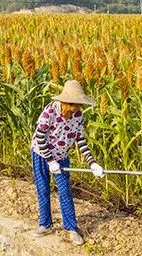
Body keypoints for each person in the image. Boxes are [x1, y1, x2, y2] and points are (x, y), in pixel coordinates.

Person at [30, 80, 104, 245]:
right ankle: (45, 224)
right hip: (41, 153)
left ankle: (71, 228)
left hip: (61, 156)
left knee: (65, 191)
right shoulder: (50, 111)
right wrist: (50, 161)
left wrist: (92, 163)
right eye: (71, 104)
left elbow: (80, 140)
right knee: (43, 189)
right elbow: (40, 137)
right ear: (64, 101)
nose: (74, 109)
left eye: (78, 105)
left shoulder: (78, 117)